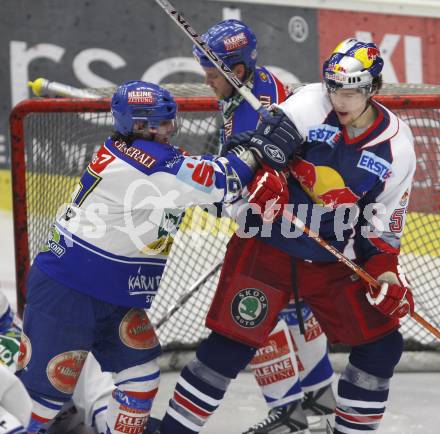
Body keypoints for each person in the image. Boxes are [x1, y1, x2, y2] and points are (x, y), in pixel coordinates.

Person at [153, 38, 415, 434]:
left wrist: (387, 276)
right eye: (334, 88)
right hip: (267, 244)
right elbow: (263, 146)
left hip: (331, 259)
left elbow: (382, 232)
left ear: (373, 89)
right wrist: (267, 176)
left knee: (382, 346)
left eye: (350, 92)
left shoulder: (397, 148)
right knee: (229, 346)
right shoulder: (311, 101)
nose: (339, 101)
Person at [14, 80, 262, 434]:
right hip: (68, 295)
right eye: (161, 123)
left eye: (169, 121)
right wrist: (259, 149)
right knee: (41, 401)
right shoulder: (149, 167)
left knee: (141, 371)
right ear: (138, 126)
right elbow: (225, 178)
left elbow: (205, 193)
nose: (169, 130)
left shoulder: (149, 159)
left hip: (111, 297)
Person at [191, 19, 335, 434]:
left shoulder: (248, 118)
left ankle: (288, 412)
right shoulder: (262, 83)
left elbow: (240, 189)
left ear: (236, 70)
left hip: (274, 224)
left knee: (254, 315)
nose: (206, 79)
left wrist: (221, 200)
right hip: (297, 221)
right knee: (297, 309)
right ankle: (322, 401)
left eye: (212, 71)